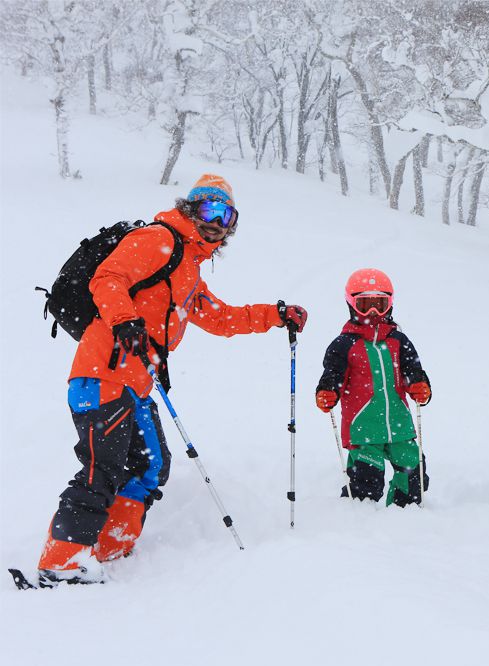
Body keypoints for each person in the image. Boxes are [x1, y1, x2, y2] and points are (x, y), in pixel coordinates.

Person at [37, 174, 308, 584]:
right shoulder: (156, 240)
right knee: (101, 470)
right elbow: (107, 279)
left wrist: (275, 314)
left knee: (151, 467)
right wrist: (124, 319)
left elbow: (220, 318)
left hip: (137, 384)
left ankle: (109, 549)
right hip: (102, 375)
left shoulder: (188, 270)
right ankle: (60, 564)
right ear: (189, 208)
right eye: (207, 209)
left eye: (226, 214)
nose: (216, 220)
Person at [315, 268, 431, 506]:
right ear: (351, 304)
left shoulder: (399, 341)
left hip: (400, 426)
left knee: (414, 476)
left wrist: (420, 387)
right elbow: (333, 374)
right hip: (363, 427)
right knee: (365, 483)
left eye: (380, 303)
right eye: (365, 304)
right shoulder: (345, 344)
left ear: (390, 304)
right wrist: (328, 391)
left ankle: (405, 514)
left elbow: (413, 372)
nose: (373, 312)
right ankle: (359, 521)